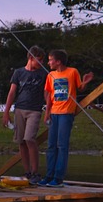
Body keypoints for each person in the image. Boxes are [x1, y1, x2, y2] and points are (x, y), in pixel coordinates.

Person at [40, 49, 94, 188]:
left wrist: (85, 82)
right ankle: (49, 175)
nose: (48, 62)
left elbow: (79, 87)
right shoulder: (50, 75)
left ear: (58, 61)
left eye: (50, 59)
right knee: (51, 145)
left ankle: (58, 177)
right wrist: (47, 112)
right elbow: (49, 94)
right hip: (54, 112)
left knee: (62, 145)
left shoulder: (72, 72)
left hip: (66, 112)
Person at [1, 46, 47, 181]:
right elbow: (12, 92)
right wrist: (6, 112)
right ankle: (27, 171)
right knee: (21, 141)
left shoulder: (43, 73)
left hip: (35, 110)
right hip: (20, 109)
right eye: (39, 60)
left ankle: (35, 171)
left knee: (29, 139)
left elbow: (47, 93)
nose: (41, 63)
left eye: (42, 61)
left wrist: (49, 109)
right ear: (31, 58)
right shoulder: (19, 72)